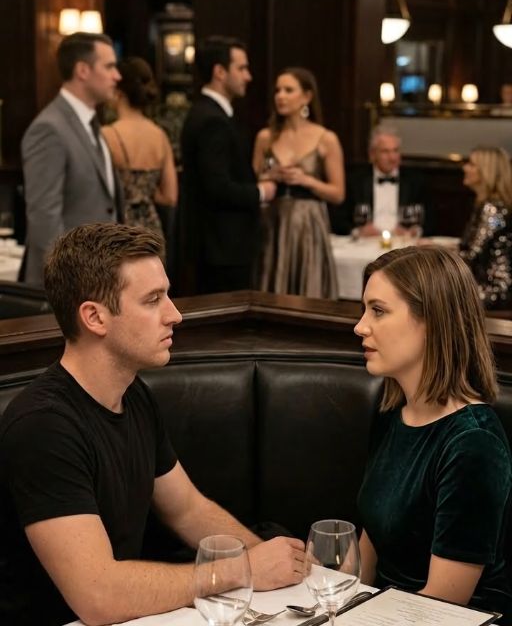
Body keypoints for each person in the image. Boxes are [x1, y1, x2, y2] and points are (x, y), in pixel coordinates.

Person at [0, 223, 305, 626]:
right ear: (94, 317)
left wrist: (276, 561)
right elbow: (98, 596)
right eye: (152, 300)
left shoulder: (133, 394)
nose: (174, 314)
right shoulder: (42, 426)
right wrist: (243, 569)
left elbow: (187, 510)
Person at [355, 245, 512, 623]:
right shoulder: (391, 413)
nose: (360, 326)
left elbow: (441, 605)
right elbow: (367, 550)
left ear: (432, 322)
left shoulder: (474, 443)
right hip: (382, 613)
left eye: (378, 310)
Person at [21, 32, 123, 287]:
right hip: (70, 284)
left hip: (99, 276)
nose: (117, 76)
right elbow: (44, 217)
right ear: (82, 70)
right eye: (109, 66)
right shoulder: (49, 128)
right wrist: (68, 284)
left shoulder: (90, 124)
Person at [180, 35, 276, 294]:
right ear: (220, 72)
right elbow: (217, 187)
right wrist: (262, 191)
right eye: (241, 68)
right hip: (221, 248)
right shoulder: (212, 119)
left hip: (220, 247)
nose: (248, 76)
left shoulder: (212, 113)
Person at [253, 67, 344, 299]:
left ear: (306, 96)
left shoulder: (326, 138)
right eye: (277, 90)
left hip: (308, 224)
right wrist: (272, 176)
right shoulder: (265, 138)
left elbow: (338, 193)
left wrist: (306, 180)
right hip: (274, 222)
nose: (280, 96)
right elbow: (254, 183)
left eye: (288, 90)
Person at [102, 56, 178, 240]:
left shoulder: (107, 135)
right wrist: (144, 194)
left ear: (119, 92)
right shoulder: (160, 136)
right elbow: (170, 196)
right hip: (151, 232)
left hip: (118, 229)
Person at [329, 124, 432, 237]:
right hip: (365, 242)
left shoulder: (415, 181)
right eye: (385, 152)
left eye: (395, 151)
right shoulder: (355, 180)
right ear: (372, 155)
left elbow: (431, 219)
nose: (392, 158)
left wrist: (414, 231)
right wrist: (358, 231)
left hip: (403, 242)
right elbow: (338, 219)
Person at [460, 146, 512, 310]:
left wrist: (435, 255)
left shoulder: (493, 209)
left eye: (471, 164)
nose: (465, 168)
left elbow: (472, 256)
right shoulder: (488, 204)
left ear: (486, 171)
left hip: (496, 290)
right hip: (485, 284)